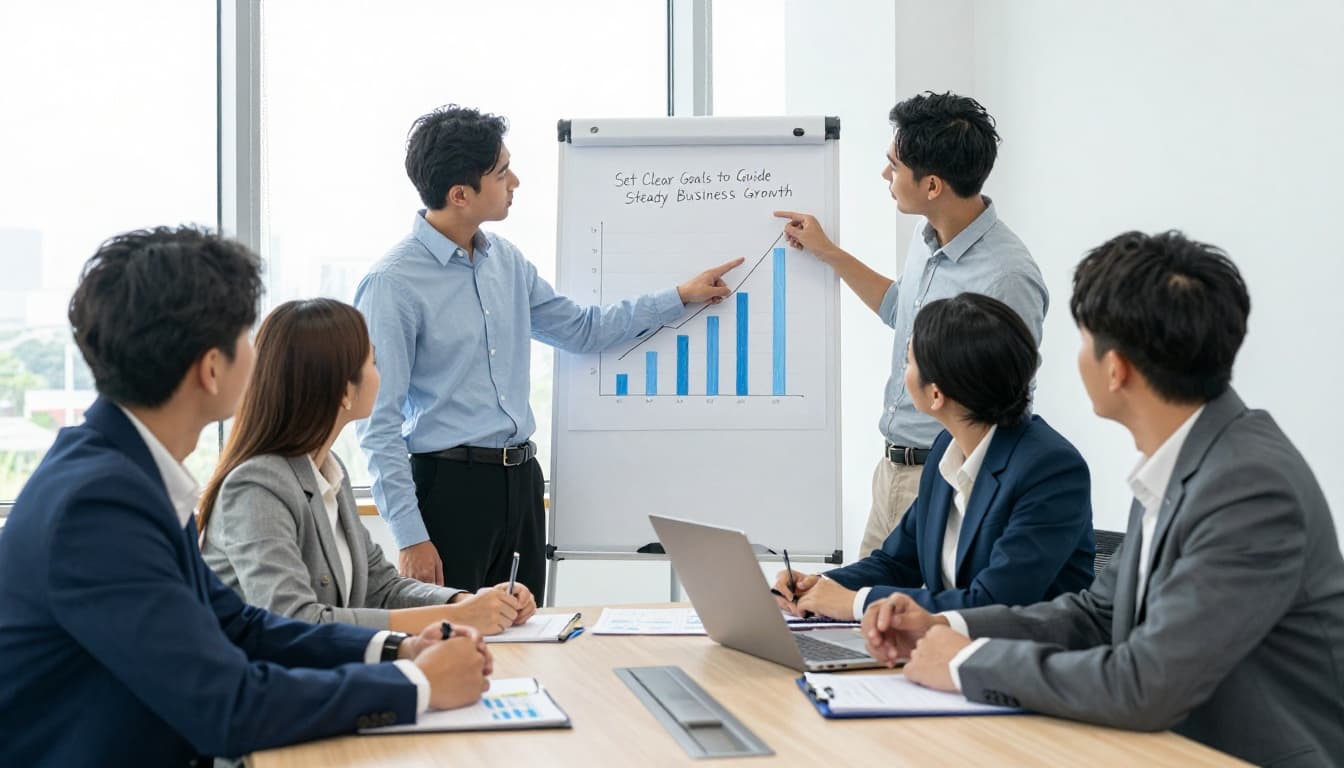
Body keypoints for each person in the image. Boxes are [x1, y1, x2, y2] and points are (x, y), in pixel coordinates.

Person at [0, 227, 494, 766]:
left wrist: (395, 649)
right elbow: (228, 707)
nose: (260, 357)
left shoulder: (126, 472)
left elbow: (238, 624)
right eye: (246, 337)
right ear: (211, 369)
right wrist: (415, 685)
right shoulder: (99, 505)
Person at [862, 231, 1344, 765]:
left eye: (1084, 341)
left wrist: (966, 663)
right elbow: (1096, 615)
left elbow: (1148, 682)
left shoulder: (1248, 487)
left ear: (1116, 370)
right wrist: (946, 626)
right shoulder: (1185, 459)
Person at [356, 104, 741, 594]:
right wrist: (410, 537)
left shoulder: (507, 262)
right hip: (447, 491)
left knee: (527, 639)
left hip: (520, 486)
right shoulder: (393, 283)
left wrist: (678, 297)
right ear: (460, 194)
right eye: (501, 172)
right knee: (456, 647)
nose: (514, 181)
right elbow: (378, 423)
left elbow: (582, 329)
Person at [775, 91, 1047, 558]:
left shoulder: (1007, 278)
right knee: (855, 618)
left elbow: (1006, 403)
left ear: (933, 185)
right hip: (892, 471)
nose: (886, 175)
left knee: (910, 625)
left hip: (947, 479)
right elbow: (901, 310)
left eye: (895, 166)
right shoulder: (928, 239)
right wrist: (828, 252)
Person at [200, 298, 537, 636]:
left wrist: (467, 603)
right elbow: (295, 622)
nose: (382, 374)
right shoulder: (256, 488)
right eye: (374, 362)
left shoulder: (329, 472)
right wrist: (460, 618)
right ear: (345, 390)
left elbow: (382, 588)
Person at [771, 293, 1093, 620]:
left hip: (1023, 661)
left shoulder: (1050, 468)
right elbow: (897, 562)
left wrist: (856, 603)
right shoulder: (946, 449)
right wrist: (818, 586)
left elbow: (994, 603)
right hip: (948, 653)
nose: (903, 372)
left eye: (908, 362)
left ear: (936, 394)